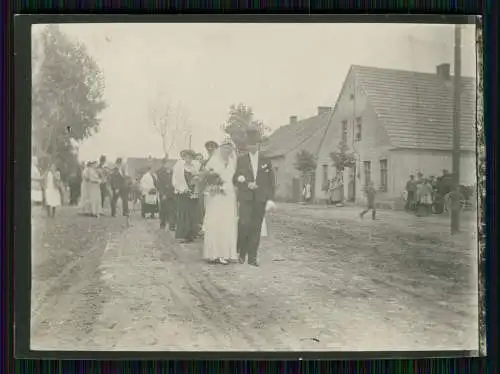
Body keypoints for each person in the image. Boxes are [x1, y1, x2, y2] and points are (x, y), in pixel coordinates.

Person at [233, 129, 275, 267]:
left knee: (256, 228)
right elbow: (235, 179)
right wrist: (246, 183)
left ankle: (252, 257)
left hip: (260, 199)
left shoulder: (265, 160)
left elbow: (270, 181)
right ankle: (241, 253)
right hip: (246, 198)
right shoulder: (241, 160)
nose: (251, 147)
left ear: (258, 145)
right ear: (247, 146)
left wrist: (269, 199)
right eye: (249, 144)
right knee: (244, 225)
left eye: (254, 144)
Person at [202, 139, 239, 264]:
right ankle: (213, 254)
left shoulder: (233, 162)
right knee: (215, 222)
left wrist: (231, 187)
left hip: (228, 196)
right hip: (216, 196)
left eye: (230, 149)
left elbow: (234, 179)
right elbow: (206, 178)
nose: (227, 151)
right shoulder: (213, 161)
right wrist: (213, 187)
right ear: (220, 149)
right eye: (225, 148)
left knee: (227, 222)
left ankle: (226, 254)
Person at [173, 149, 200, 243]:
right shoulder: (179, 167)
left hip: (193, 193)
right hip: (183, 192)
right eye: (186, 156)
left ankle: (191, 235)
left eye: (190, 157)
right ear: (183, 157)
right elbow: (175, 180)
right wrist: (183, 189)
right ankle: (182, 235)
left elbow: (199, 179)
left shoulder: (195, 167)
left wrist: (196, 187)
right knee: (184, 214)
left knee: (192, 214)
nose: (188, 158)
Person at [156, 155, 176, 231]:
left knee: (172, 209)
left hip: (171, 193)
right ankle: (162, 223)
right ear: (163, 163)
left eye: (169, 162)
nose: (168, 164)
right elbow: (159, 184)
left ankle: (172, 225)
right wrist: (163, 193)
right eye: (166, 162)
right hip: (164, 193)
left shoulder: (171, 171)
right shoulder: (159, 172)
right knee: (163, 209)